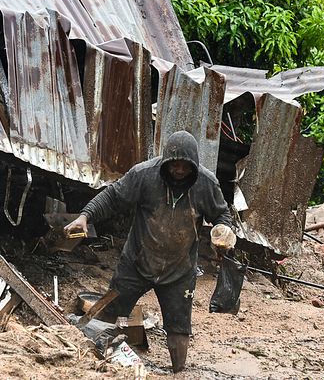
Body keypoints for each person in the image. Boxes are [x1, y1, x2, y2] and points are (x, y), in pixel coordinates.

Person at [64, 130, 234, 373]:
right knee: (113, 313)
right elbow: (112, 197)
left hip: (180, 270)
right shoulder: (144, 175)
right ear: (165, 161)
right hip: (137, 262)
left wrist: (223, 231)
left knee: (178, 327)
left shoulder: (206, 184)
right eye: (173, 165)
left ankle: (178, 372)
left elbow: (222, 214)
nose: (179, 170)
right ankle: (98, 357)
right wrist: (85, 216)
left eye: (185, 167)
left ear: (194, 166)